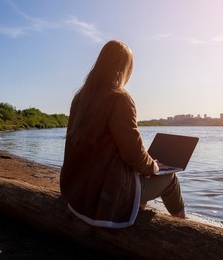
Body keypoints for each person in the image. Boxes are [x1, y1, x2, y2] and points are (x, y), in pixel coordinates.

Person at [60, 40, 185, 229]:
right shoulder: (120, 98)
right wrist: (154, 167)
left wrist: (147, 166)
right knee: (171, 180)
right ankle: (183, 231)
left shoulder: (81, 97)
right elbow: (133, 152)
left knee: (142, 173)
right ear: (124, 68)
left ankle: (139, 212)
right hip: (104, 197)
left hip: (77, 194)